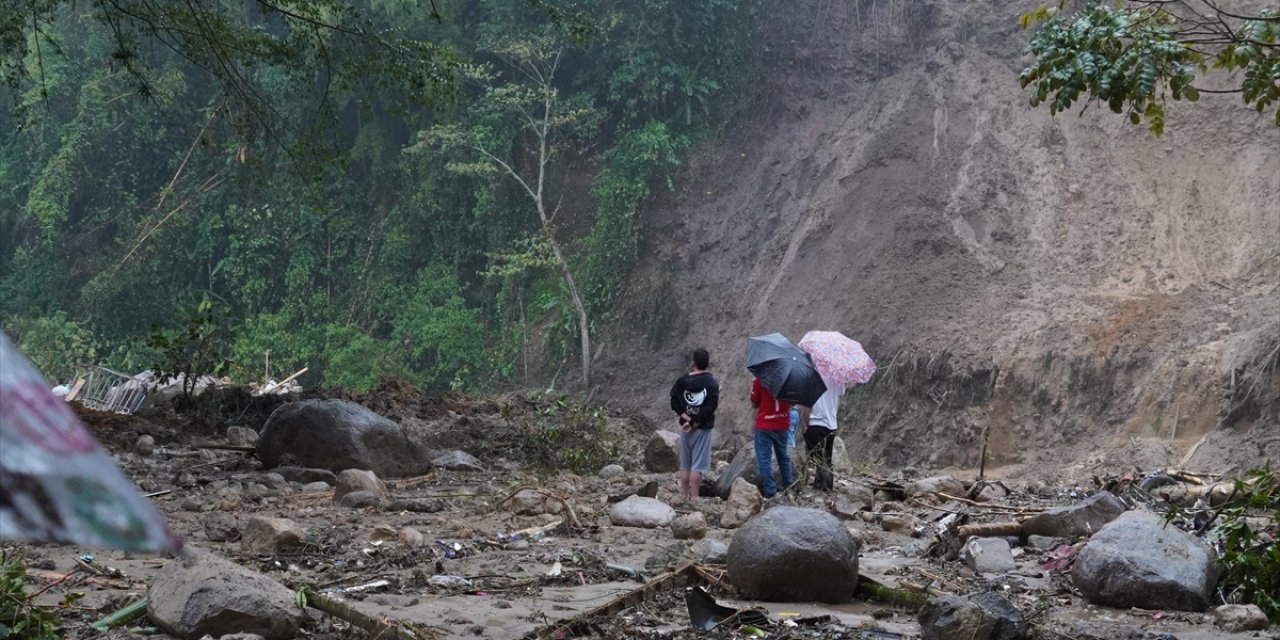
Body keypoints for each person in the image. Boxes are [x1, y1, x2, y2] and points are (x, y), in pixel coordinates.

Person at [669, 348, 719, 504]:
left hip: (685, 429)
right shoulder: (711, 383)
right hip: (702, 428)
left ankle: (684, 495)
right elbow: (710, 407)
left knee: (686, 463)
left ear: (693, 363)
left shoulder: (681, 382)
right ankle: (695, 497)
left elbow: (674, 403)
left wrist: (686, 419)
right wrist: (694, 422)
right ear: (708, 363)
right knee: (698, 464)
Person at [799, 373, 846, 491]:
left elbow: (807, 404)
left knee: (818, 458)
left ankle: (821, 486)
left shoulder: (812, 377)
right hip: (831, 424)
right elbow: (838, 398)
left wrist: (805, 422)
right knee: (827, 457)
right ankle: (827, 486)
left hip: (815, 422)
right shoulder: (837, 377)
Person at [751, 376, 792, 498]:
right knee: (783, 456)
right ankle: (788, 486)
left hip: (765, 424)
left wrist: (752, 388)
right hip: (782, 422)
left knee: (764, 459)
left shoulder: (760, 379)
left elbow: (754, 403)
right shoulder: (788, 379)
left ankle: (770, 491)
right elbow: (792, 402)